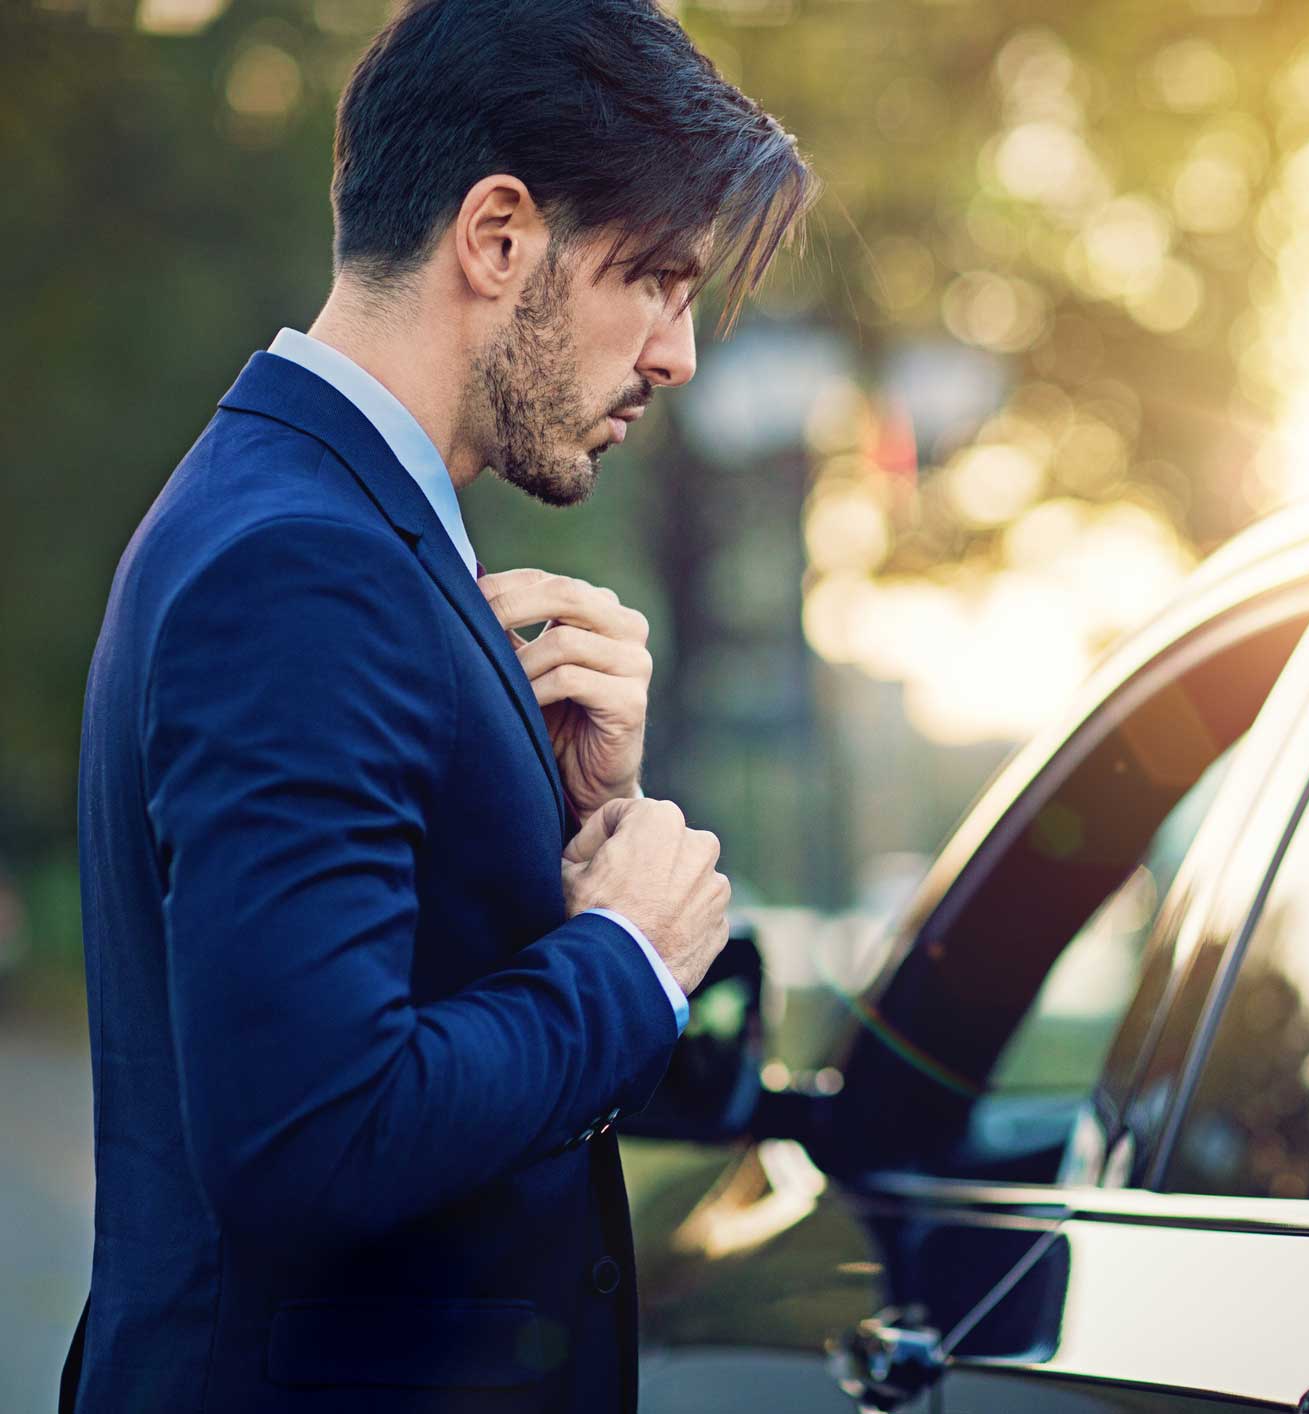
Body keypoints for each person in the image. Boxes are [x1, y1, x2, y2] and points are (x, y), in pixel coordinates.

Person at [67, 2, 815, 1409]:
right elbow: (317, 1131)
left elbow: (412, 1025)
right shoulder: (300, 563)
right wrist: (626, 958)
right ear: (495, 238)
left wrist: (584, 832)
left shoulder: (331, 526)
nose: (677, 355)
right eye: (654, 278)